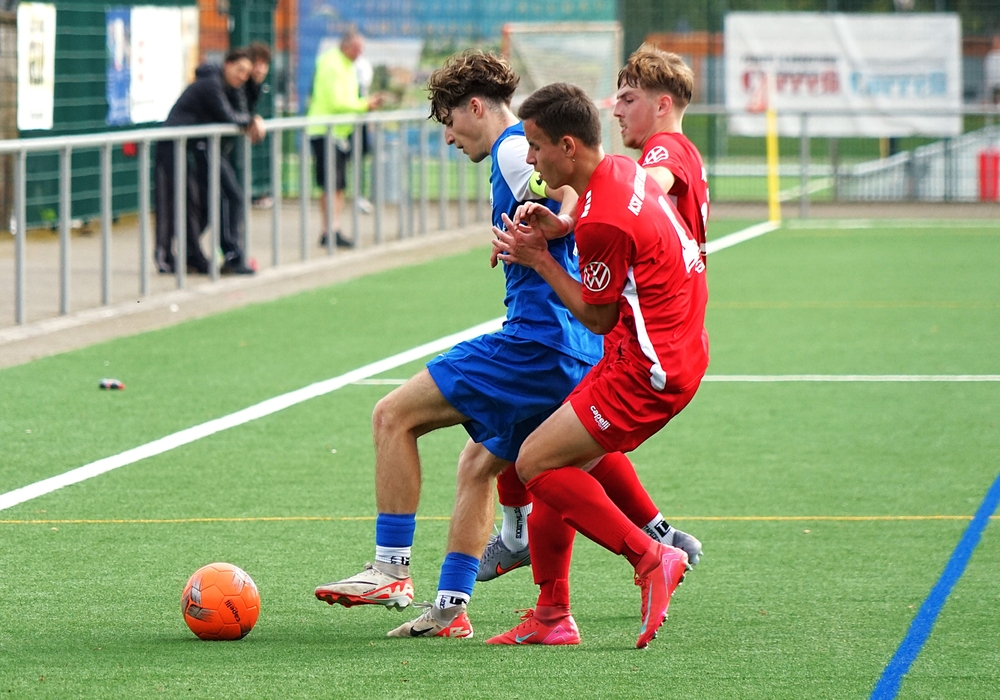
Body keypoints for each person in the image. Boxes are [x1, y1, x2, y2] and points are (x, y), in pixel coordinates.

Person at [311, 51, 698, 640]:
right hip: (576, 349)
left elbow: (565, 186)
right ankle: (458, 608)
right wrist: (555, 222)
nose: (448, 138)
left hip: (540, 344)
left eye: (449, 122)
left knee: (392, 416)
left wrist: (550, 231)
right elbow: (574, 190)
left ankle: (392, 569)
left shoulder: (515, 148)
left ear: (475, 108)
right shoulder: (538, 154)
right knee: (484, 463)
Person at [487, 82, 708, 648]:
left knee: (534, 462)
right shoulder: (621, 172)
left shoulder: (602, 219)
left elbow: (597, 316)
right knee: (554, 457)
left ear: (567, 146)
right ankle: (551, 616)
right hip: (669, 349)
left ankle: (650, 556)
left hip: (647, 371)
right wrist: (562, 227)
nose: (529, 158)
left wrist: (540, 259)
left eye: (536, 146)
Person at [154, 49, 254, 274]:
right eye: (240, 70)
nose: (242, 77)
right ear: (227, 65)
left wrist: (248, 113)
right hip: (172, 146)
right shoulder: (211, 84)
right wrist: (251, 120)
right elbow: (228, 115)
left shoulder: (227, 85)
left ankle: (192, 254)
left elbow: (239, 111)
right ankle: (165, 256)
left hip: (189, 147)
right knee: (171, 201)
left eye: (247, 74)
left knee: (195, 202)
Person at [615, 44, 709, 262]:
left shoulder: (665, 146)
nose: (617, 111)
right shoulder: (686, 150)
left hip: (662, 283)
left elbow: (645, 190)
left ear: (662, 106)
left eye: (628, 100)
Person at [307, 30, 381, 248]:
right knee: (330, 184)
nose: (359, 54)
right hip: (325, 131)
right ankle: (328, 230)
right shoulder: (332, 65)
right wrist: (364, 105)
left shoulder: (345, 64)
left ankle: (333, 228)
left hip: (338, 133)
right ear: (346, 46)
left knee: (338, 184)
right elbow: (337, 101)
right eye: (357, 49)